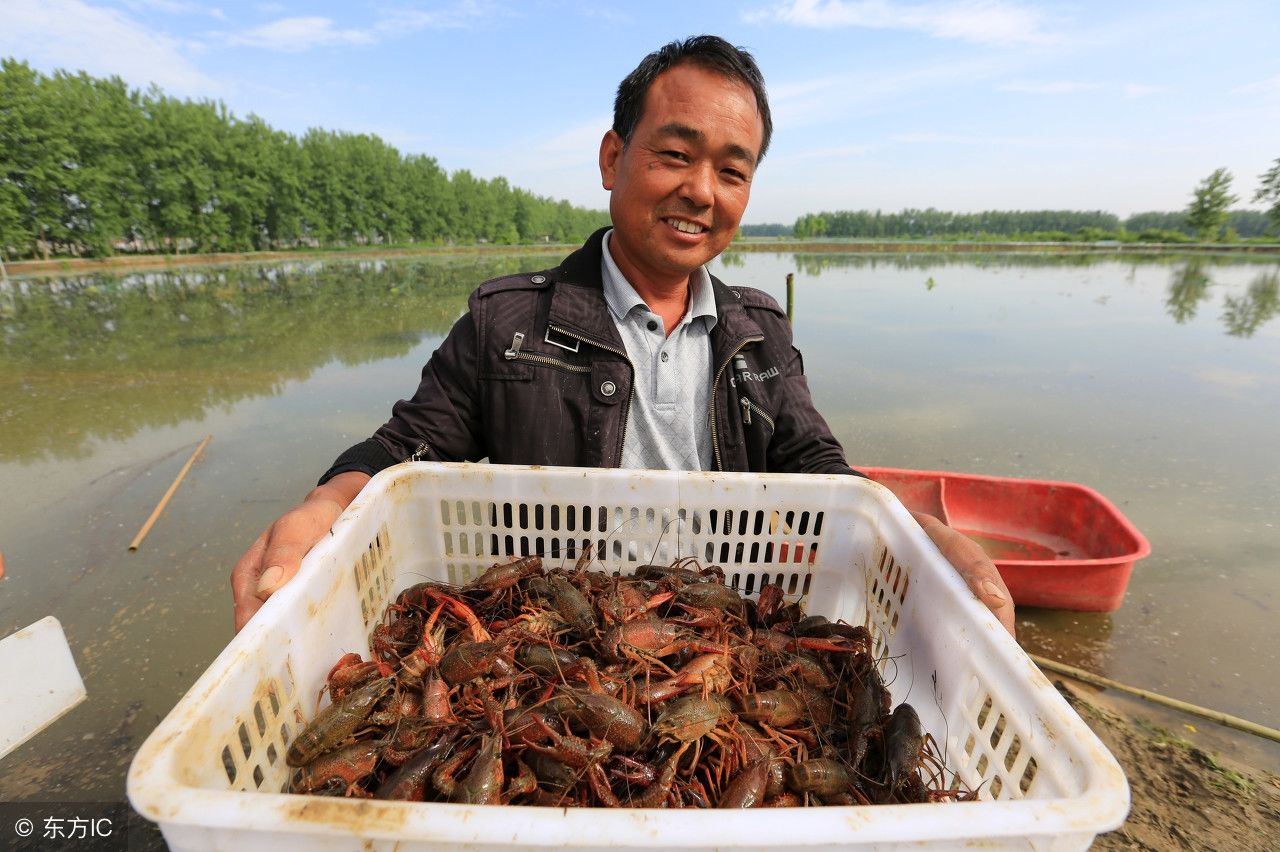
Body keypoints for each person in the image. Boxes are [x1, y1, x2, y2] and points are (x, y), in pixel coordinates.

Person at [231, 35, 1015, 636]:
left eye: (732, 171)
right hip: (551, 629)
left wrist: (923, 533)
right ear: (614, 158)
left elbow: (822, 473)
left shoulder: (759, 334)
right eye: (675, 155)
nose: (700, 191)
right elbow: (408, 446)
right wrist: (324, 504)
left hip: (715, 629)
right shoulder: (507, 325)